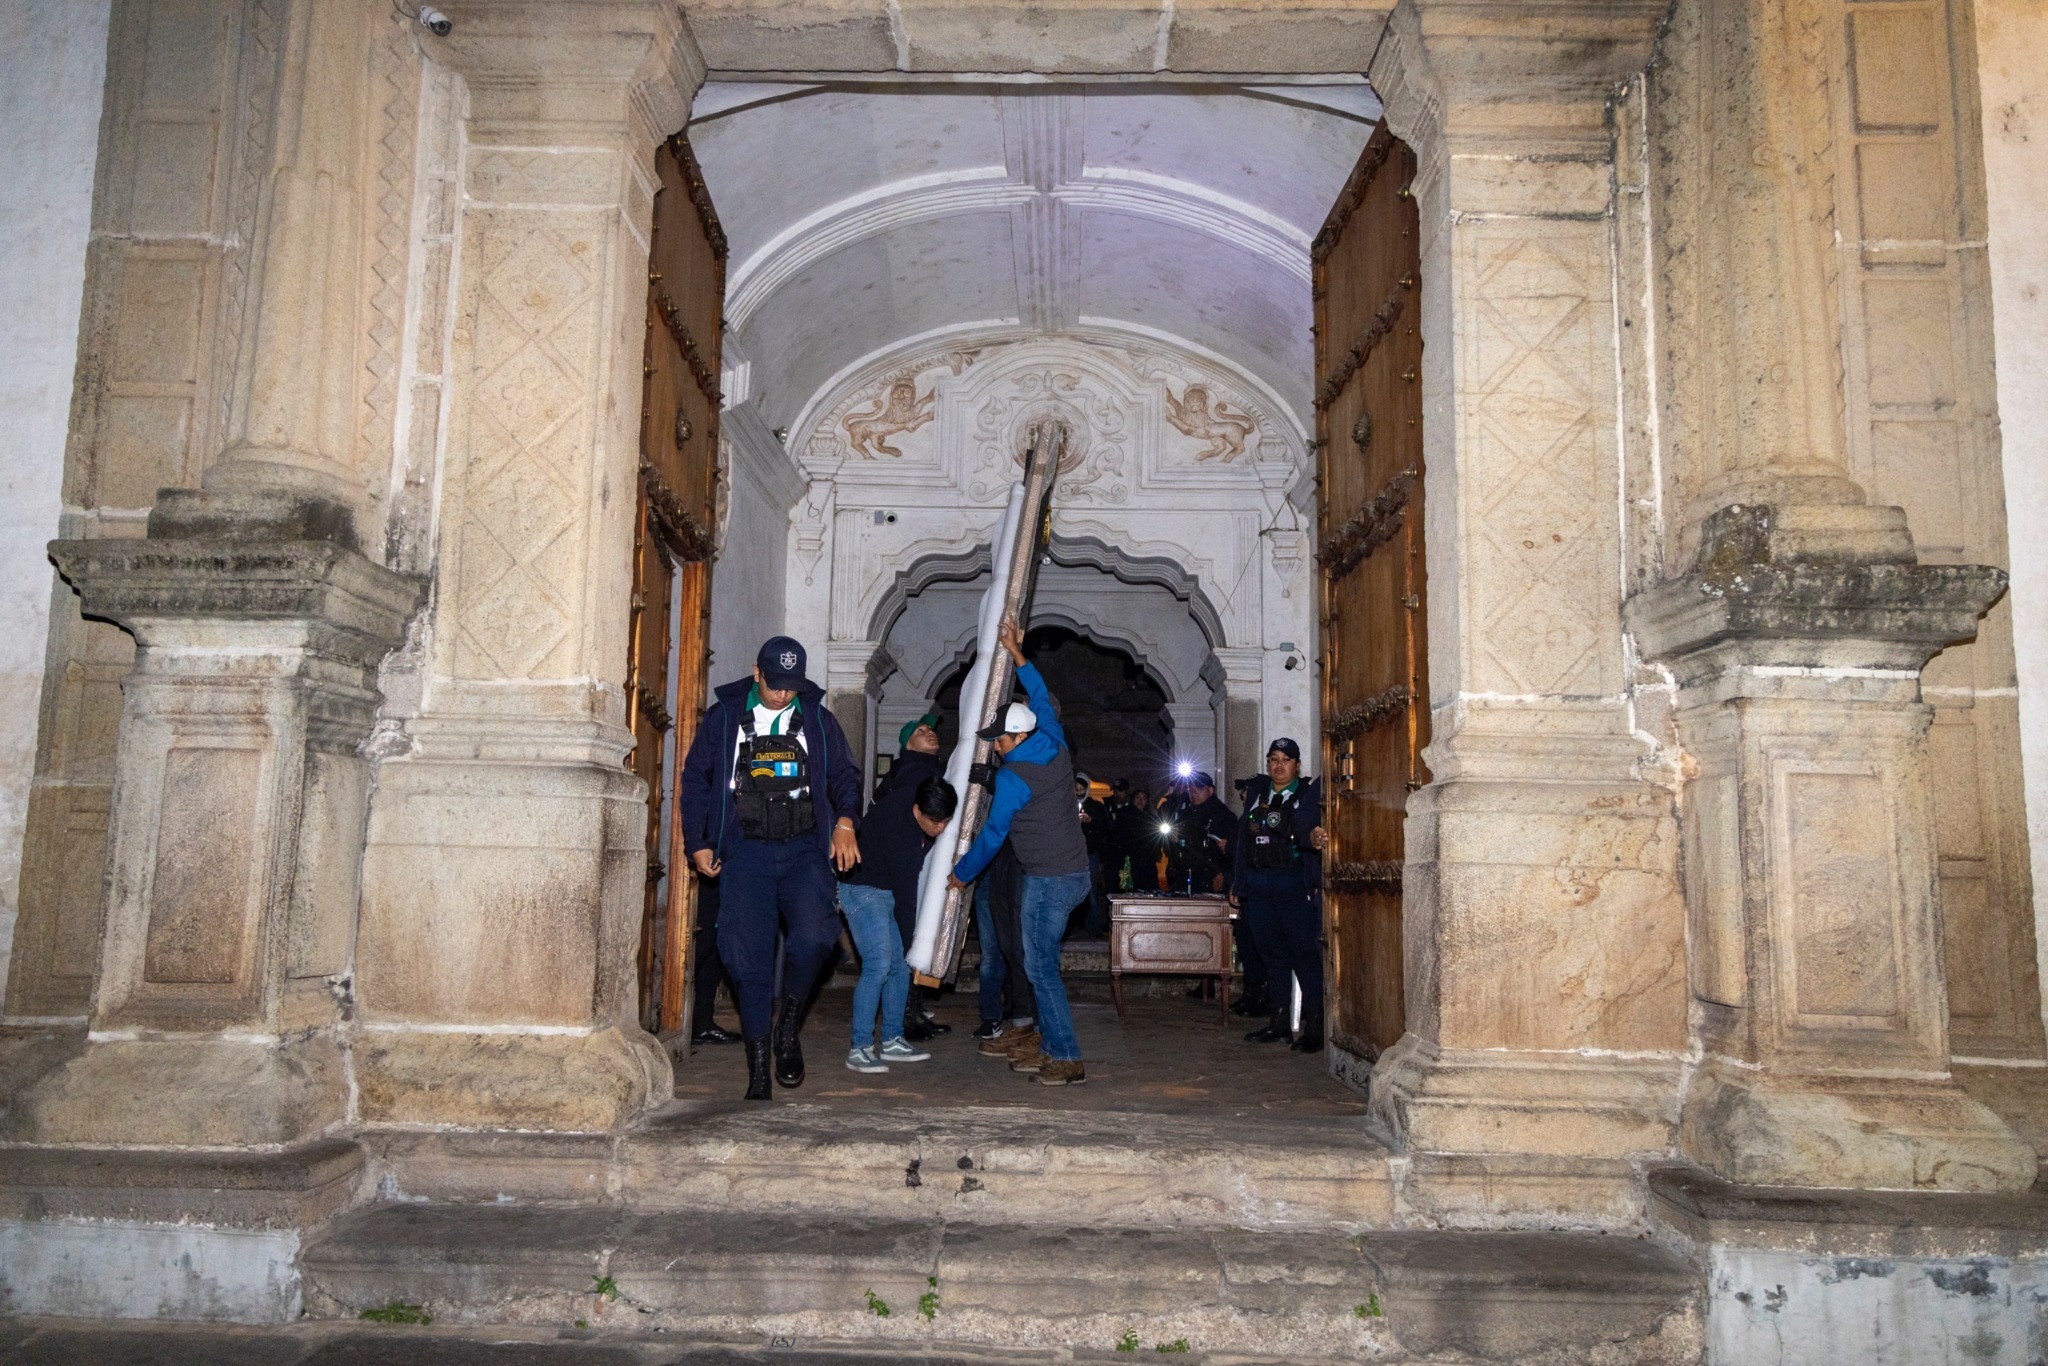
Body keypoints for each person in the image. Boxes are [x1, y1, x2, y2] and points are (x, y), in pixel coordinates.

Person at [680, 636, 863, 1101]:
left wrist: (845, 821)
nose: (783, 694)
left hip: (803, 849)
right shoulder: (723, 720)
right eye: (776, 684)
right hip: (746, 853)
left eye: (792, 686)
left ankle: (789, 1025)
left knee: (817, 936)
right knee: (746, 958)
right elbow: (695, 780)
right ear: (757, 673)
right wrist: (697, 841)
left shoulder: (818, 721)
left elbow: (845, 776)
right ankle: (759, 1067)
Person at [947, 616, 1093, 1086]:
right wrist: (1016, 651)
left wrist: (961, 873)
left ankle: (1067, 1056)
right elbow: (1041, 691)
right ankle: (1049, 1045)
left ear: (1017, 738)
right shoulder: (1053, 740)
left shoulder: (1013, 778)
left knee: (1041, 968)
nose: (996, 748)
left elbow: (991, 837)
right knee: (1038, 963)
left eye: (1000, 741)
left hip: (1049, 880)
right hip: (1071, 874)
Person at [839, 775, 957, 1072]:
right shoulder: (900, 828)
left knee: (899, 967)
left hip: (883, 887)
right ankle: (859, 1047)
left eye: (946, 821)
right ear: (918, 811)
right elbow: (906, 897)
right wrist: (909, 941)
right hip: (861, 888)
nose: (940, 828)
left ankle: (892, 1040)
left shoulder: (917, 798)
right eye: (935, 822)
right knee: (879, 964)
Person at [1228, 737, 1328, 1053]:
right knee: (1272, 959)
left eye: (1286, 760)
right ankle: (1279, 1024)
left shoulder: (1307, 795)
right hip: (1259, 891)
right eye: (1273, 759)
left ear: (1297, 765)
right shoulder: (1258, 796)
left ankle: (1314, 1030)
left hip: (1294, 890)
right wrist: (1238, 885)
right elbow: (1244, 843)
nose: (1278, 765)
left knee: (1305, 959)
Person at [877, 712, 951, 1041]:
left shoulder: (920, 769)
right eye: (920, 732)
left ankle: (911, 1011)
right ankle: (906, 1016)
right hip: (908, 868)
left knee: (910, 936)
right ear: (908, 744)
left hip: (905, 867)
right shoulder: (915, 771)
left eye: (932, 730)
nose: (930, 734)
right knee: (909, 937)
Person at [1074, 772, 1111, 936]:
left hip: (1090, 853)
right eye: (1076, 789)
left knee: (1091, 891)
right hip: (1071, 854)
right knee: (1071, 890)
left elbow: (1105, 827)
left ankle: (1093, 927)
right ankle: (1073, 927)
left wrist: (1090, 822)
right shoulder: (1067, 805)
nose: (1079, 792)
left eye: (1082, 789)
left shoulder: (1096, 806)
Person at [1115, 788, 1161, 892]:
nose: (1140, 801)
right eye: (1138, 798)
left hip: (1147, 861)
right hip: (1129, 860)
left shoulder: (1150, 817)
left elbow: (1156, 839)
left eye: (1143, 798)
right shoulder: (1124, 814)